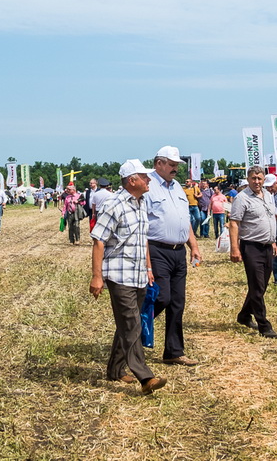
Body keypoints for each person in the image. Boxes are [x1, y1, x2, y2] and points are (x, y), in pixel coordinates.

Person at [89, 159, 166, 395]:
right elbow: (98, 240)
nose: (149, 179)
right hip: (118, 275)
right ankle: (145, 377)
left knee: (126, 324)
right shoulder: (114, 205)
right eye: (145, 176)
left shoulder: (141, 203)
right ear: (132, 180)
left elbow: (142, 240)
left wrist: (149, 268)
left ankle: (114, 369)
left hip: (139, 274)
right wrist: (96, 277)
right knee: (133, 325)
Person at [144, 145, 202, 366]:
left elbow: (183, 219)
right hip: (157, 249)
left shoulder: (177, 186)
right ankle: (135, 330)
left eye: (177, 165)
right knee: (162, 297)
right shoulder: (148, 186)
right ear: (159, 163)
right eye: (171, 164)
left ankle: (173, 351)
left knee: (178, 302)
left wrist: (193, 246)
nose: (175, 168)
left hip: (178, 252)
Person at [229, 166, 277, 338]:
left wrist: (273, 241)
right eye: (253, 178)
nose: (256, 182)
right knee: (257, 287)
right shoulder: (242, 198)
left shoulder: (268, 195)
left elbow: (270, 218)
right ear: (248, 179)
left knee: (261, 286)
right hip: (251, 246)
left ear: (264, 179)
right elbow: (234, 223)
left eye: (259, 178)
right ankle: (264, 325)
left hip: (267, 246)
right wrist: (235, 248)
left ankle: (244, 315)